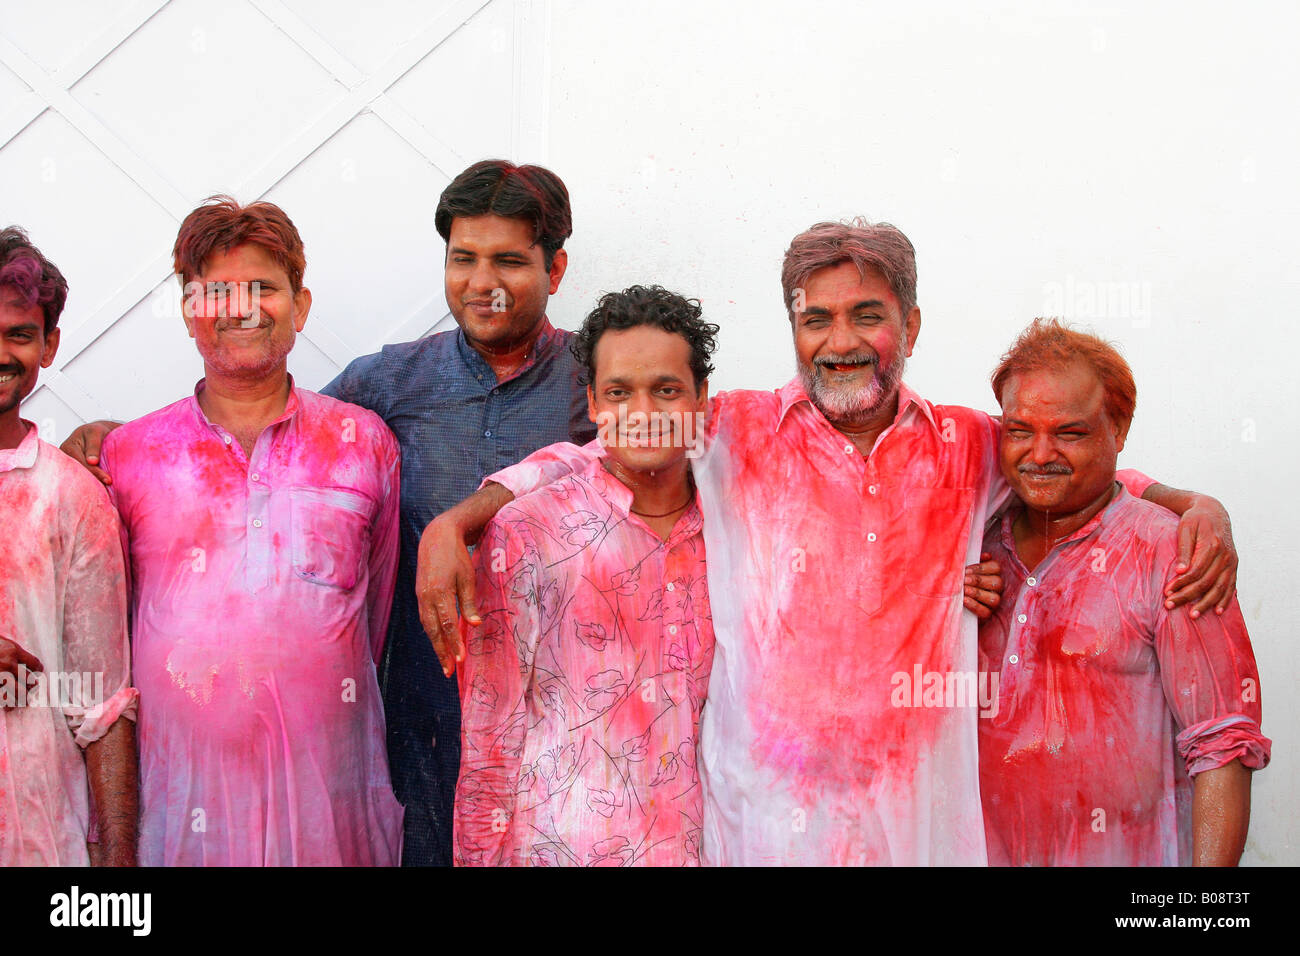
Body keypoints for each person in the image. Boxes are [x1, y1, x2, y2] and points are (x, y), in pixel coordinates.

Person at [420, 219, 1238, 865]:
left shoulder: (965, 445)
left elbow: (1057, 460)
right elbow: (608, 443)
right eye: (816, 319)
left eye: (866, 315)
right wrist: (463, 518)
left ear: (911, 324)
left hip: (920, 822)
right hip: (766, 819)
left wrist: (1190, 503)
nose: (839, 340)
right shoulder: (736, 432)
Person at [96, 197, 402, 865]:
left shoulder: (362, 442)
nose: (242, 307)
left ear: (302, 304)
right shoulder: (129, 453)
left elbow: (373, 622)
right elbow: (106, 632)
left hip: (330, 811)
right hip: (178, 811)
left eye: (263, 287)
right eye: (217, 291)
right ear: (188, 311)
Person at [317, 160, 596, 866]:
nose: (482, 283)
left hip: (564, 721)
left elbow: (676, 457)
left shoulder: (597, 381)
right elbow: (279, 439)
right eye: (463, 259)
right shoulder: (388, 381)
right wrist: (110, 437)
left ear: (555, 269)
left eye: (509, 260)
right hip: (422, 722)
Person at [978, 318, 1269, 866]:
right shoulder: (972, 540)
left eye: (1070, 433)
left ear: (1119, 427)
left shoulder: (1175, 554)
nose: (1039, 454)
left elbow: (1224, 746)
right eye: (1019, 430)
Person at [455, 285, 716, 866]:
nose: (643, 414)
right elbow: (489, 733)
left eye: (667, 391)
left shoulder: (734, 528)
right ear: (594, 403)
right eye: (620, 392)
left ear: (702, 400)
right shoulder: (529, 530)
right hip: (558, 848)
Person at [0, 226, 138, 866]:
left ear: (49, 345)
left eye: (19, 334)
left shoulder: (72, 494)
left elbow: (104, 705)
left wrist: (116, 875)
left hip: (37, 835)